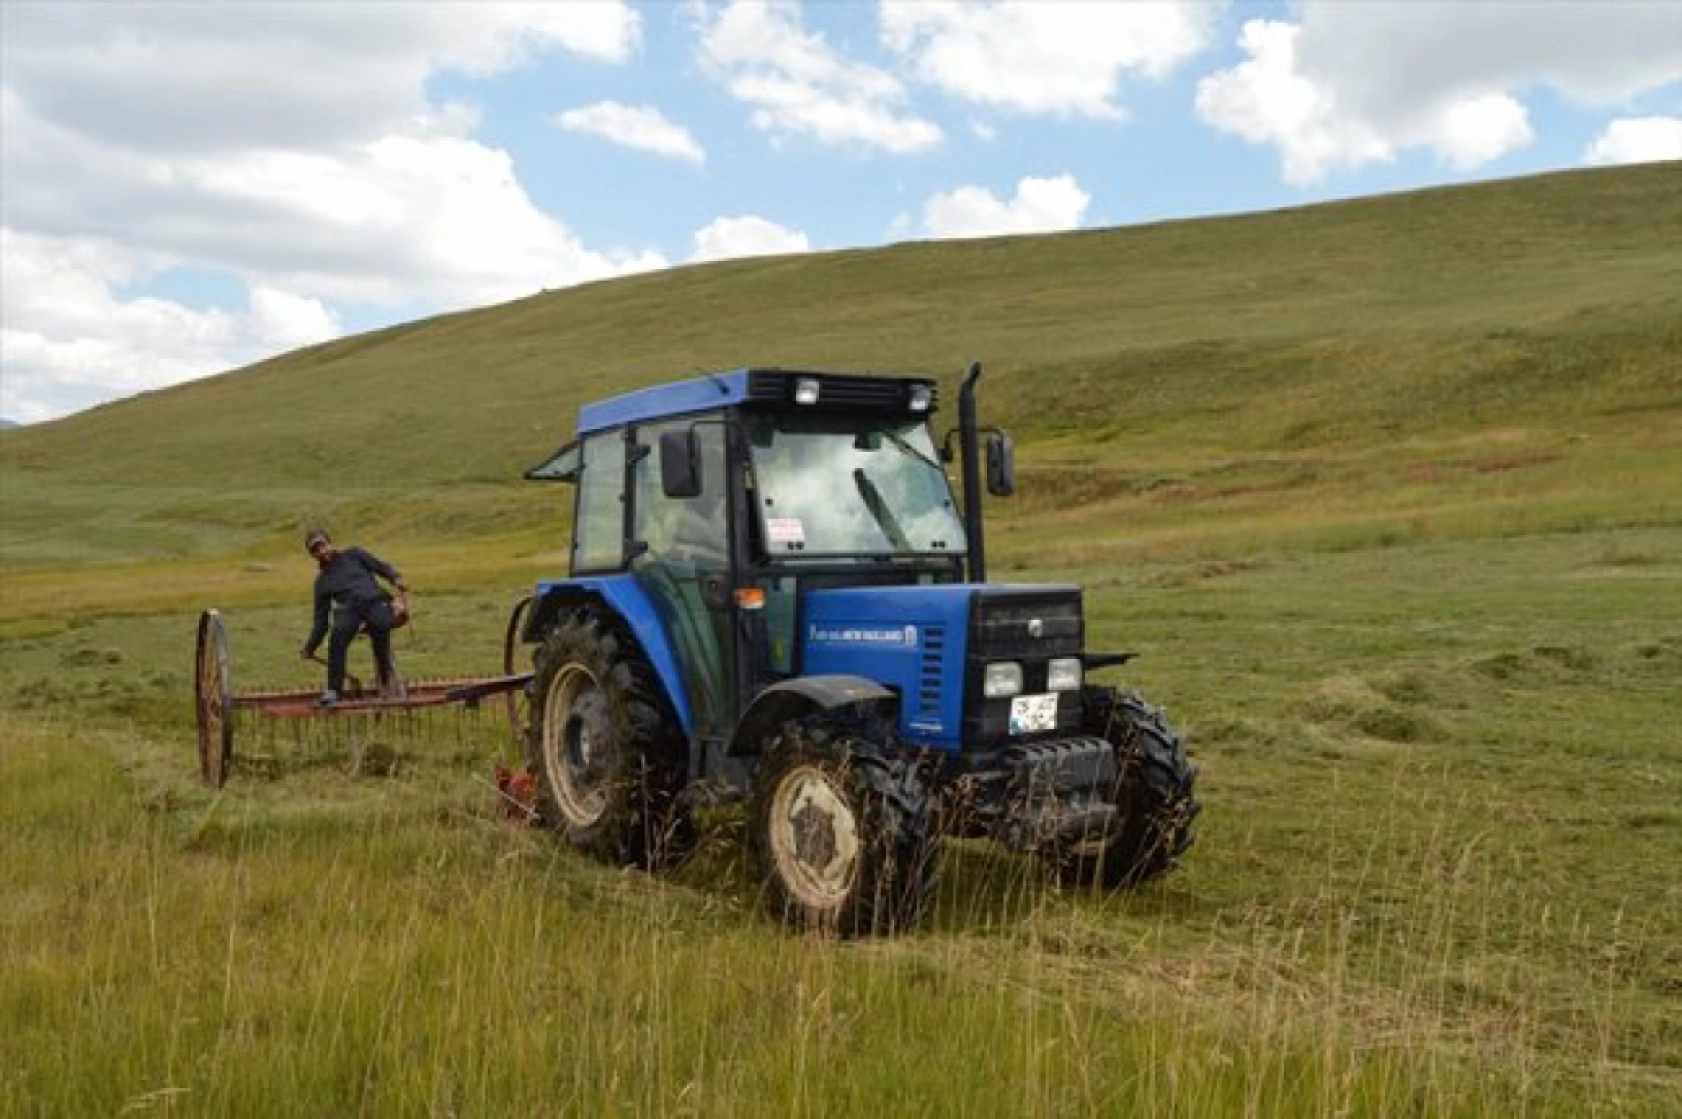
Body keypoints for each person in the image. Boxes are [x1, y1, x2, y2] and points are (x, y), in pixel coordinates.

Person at [299, 528, 408, 704]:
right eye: (316, 550)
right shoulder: (322, 582)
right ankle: (334, 691)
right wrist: (310, 646)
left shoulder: (355, 554)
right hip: (349, 610)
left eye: (323, 545)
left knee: (380, 626)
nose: (321, 551)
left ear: (330, 543)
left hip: (374, 600)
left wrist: (396, 578)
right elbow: (321, 621)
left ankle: (386, 682)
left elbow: (380, 567)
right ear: (312, 555)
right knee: (337, 638)